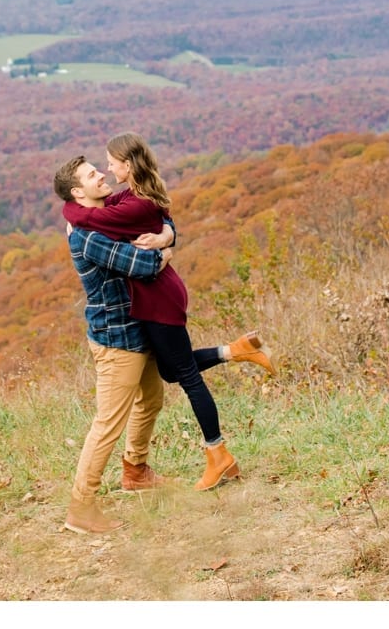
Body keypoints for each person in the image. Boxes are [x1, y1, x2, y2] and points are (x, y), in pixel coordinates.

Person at [62, 133, 274, 494]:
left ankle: (218, 454)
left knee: (188, 378)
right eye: (97, 169)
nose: (106, 170)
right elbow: (161, 218)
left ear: (127, 165)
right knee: (168, 370)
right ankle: (236, 350)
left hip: (158, 298)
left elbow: (114, 237)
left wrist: (163, 247)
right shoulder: (130, 196)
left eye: (110, 163)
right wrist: (167, 235)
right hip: (152, 301)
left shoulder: (128, 207)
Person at [53, 154, 176, 534]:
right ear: (78, 191)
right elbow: (141, 264)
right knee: (108, 423)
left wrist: (166, 235)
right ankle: (81, 506)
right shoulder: (88, 236)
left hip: (141, 326)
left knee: (151, 400)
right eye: (92, 174)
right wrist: (164, 252)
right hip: (116, 338)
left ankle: (135, 471)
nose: (102, 174)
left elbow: (158, 215)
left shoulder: (111, 209)